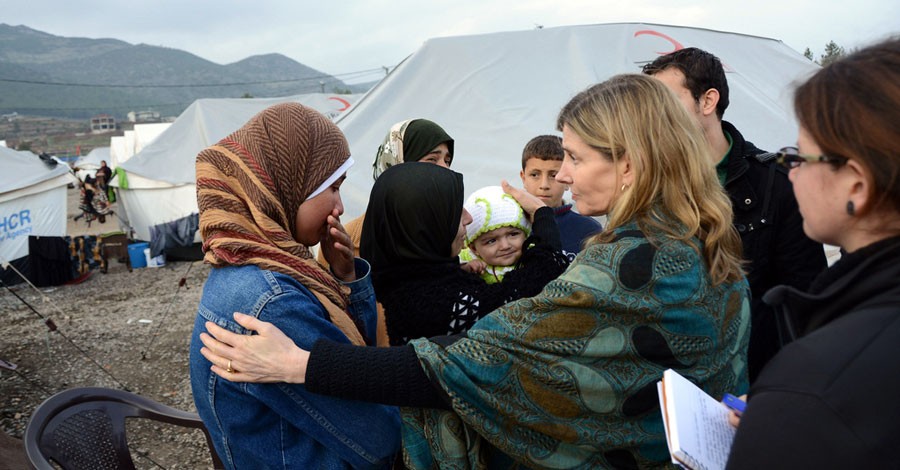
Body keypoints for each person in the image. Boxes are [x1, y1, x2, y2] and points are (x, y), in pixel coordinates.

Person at [198, 74, 751, 468]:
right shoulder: (697, 236)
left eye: (576, 161)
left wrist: (302, 365)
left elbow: (475, 362)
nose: (564, 180)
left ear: (629, 163)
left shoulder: (633, 264)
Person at [188, 103, 399, 469]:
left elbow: (353, 354)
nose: (339, 206)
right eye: (332, 188)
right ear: (286, 183)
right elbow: (381, 438)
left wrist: (346, 278)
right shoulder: (272, 302)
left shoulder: (250, 267)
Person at [724, 37, 900, 469]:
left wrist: (785, 420)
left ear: (856, 185)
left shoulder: (815, 387)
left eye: (800, 157)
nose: (792, 173)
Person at [642, 48, 828, 381]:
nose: (654, 117)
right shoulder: (647, 189)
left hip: (759, 386)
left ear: (707, 101)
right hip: (672, 386)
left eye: (665, 102)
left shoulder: (776, 185)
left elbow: (806, 305)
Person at [361, 164, 569, 345]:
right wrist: (542, 215)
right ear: (425, 227)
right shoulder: (431, 304)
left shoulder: (419, 280)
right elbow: (526, 291)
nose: (469, 219)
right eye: (453, 212)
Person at [520, 134, 601, 260]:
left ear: (567, 179)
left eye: (553, 175)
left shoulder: (589, 230)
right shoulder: (508, 226)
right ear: (523, 178)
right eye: (535, 175)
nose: (544, 185)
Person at [459, 185, 534, 283]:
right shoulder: (466, 261)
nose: (505, 246)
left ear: (526, 235)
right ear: (473, 249)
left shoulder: (536, 257)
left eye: (513, 234)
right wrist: (466, 269)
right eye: (491, 241)